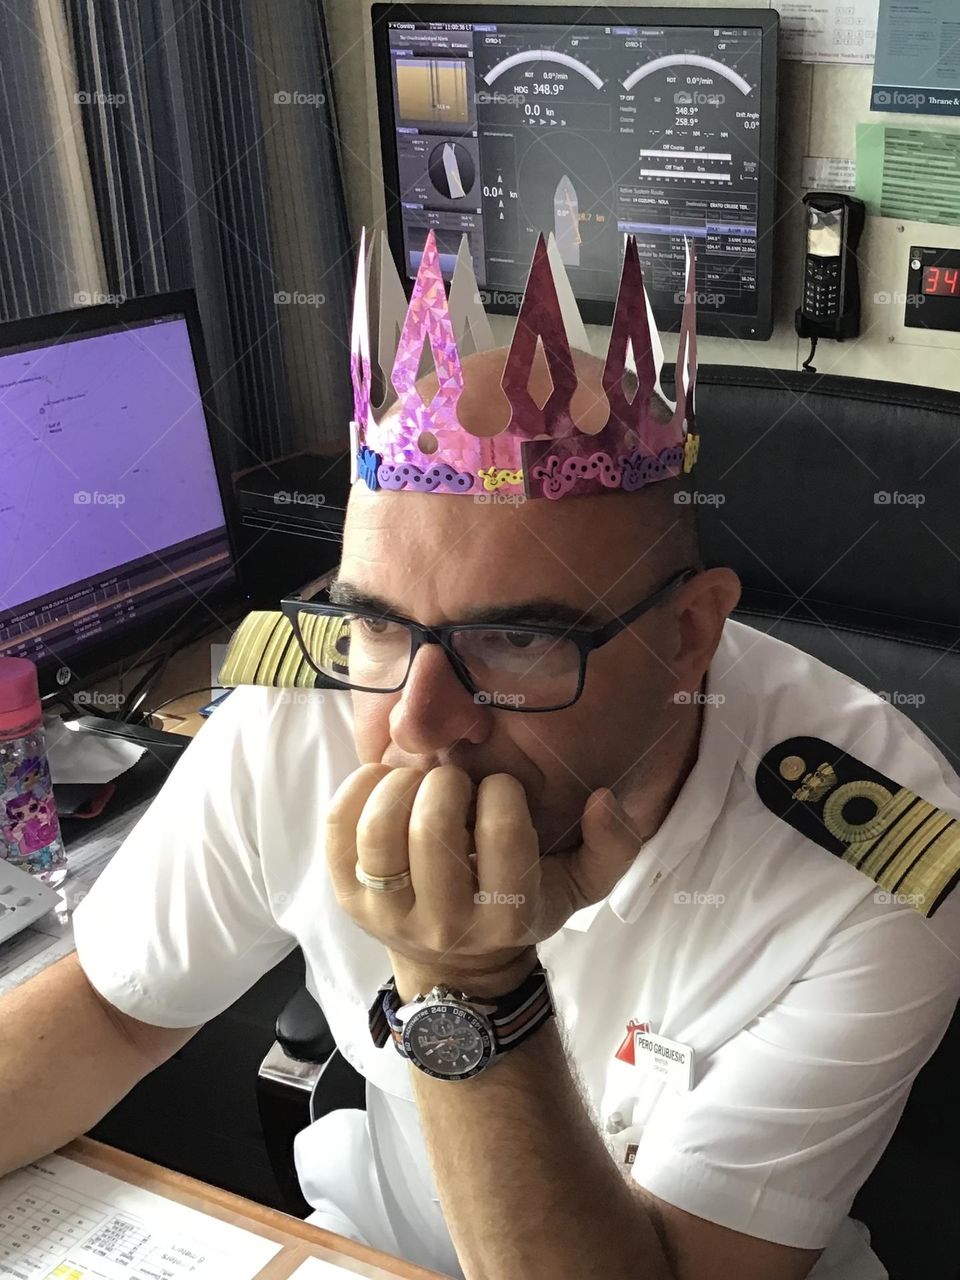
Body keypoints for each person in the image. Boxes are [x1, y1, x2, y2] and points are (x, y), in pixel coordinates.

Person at [1, 241, 959, 1280]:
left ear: (689, 633)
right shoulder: (306, 701)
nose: (416, 723)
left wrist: (467, 982)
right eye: (376, 624)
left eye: (517, 640)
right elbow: (111, 1007)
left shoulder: (877, 865)